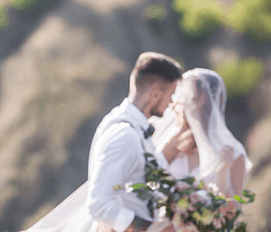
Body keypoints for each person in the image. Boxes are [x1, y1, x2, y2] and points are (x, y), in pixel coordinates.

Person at [24, 52, 187, 232]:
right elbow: (98, 203)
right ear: (155, 94)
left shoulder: (133, 130)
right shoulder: (124, 135)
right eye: (171, 94)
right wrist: (141, 227)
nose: (172, 102)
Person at [151, 68, 253, 221]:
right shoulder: (174, 144)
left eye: (187, 99)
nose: (175, 104)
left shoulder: (231, 153)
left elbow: (231, 215)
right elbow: (149, 179)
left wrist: (222, 177)